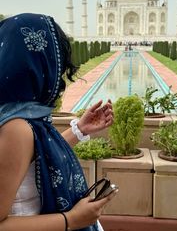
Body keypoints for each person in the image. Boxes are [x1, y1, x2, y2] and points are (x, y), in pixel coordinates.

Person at [0, 13, 116, 231]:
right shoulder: (16, 127)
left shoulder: (19, 114)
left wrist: (80, 130)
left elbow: (33, 158)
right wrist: (71, 220)